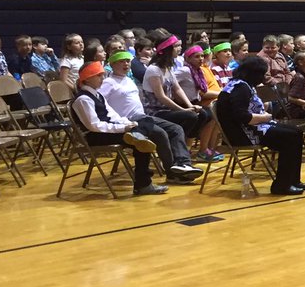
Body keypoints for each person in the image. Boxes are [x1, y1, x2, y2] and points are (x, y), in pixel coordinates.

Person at [101, 51, 204, 185]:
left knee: (176, 129)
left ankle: (183, 163)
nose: (126, 64)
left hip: (144, 117)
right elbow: (100, 103)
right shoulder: (108, 83)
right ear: (113, 64)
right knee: (161, 134)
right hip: (129, 121)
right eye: (122, 61)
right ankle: (172, 173)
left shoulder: (128, 80)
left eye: (128, 61)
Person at [69, 61, 168, 196]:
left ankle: (138, 137)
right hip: (95, 136)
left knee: (145, 121)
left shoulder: (98, 95)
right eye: (98, 76)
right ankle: (143, 184)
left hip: (108, 130)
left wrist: (127, 123)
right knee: (142, 142)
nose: (102, 79)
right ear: (87, 79)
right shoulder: (83, 99)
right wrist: (121, 129)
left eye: (103, 75)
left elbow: (112, 115)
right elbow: (94, 125)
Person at [218, 56, 305, 195]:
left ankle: (293, 180)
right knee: (290, 137)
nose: (264, 77)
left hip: (253, 127)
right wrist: (265, 117)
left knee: (296, 132)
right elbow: (243, 117)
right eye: (262, 74)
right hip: (242, 133)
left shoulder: (243, 84)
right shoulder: (239, 88)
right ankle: (281, 185)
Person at [141, 29, 219, 162]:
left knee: (205, 114)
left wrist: (190, 105)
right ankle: (178, 150)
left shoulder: (168, 68)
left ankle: (183, 148)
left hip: (167, 109)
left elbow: (177, 88)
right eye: (175, 47)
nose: (179, 49)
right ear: (167, 50)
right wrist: (182, 109)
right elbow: (161, 96)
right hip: (155, 112)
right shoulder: (153, 69)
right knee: (190, 116)